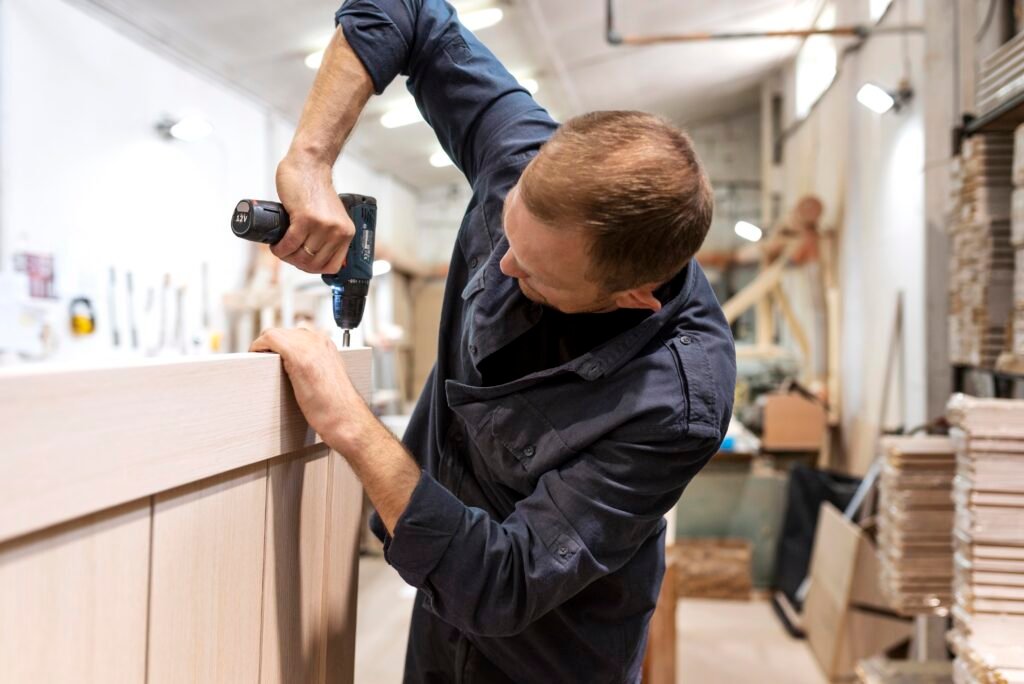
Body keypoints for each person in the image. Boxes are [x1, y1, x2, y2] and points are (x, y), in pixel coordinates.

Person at [251, 0, 736, 681]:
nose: (504, 266)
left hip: (553, 654)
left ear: (631, 297)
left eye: (535, 274)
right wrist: (309, 160)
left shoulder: (675, 401)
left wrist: (351, 424)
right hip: (440, 613)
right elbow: (408, 9)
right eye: (508, 232)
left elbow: (503, 582)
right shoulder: (519, 156)